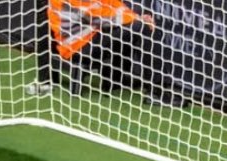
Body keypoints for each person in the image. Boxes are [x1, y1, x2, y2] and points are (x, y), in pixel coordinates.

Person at [28, 0, 186, 106]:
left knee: (139, 21)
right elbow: (92, 17)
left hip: (93, 35)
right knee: (139, 27)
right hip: (78, 45)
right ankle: (157, 91)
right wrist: (134, 19)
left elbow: (113, 4)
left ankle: (117, 80)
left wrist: (136, 16)